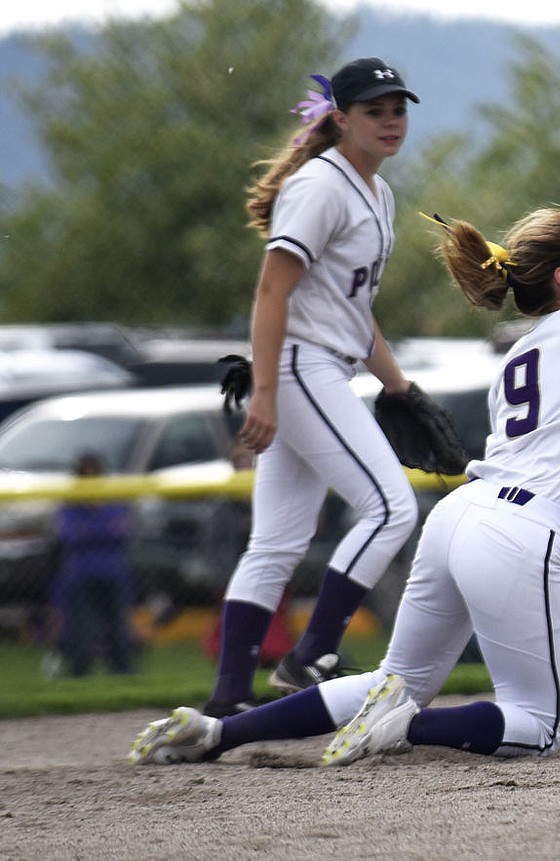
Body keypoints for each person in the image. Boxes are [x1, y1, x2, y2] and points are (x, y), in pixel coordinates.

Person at [129, 89, 560, 765]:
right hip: (514, 532)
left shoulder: (520, 351)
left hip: (462, 518)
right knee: (536, 723)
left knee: (393, 677)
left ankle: (218, 732)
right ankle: (407, 728)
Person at [200, 58, 426, 718]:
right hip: (300, 367)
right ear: (341, 118)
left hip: (323, 365)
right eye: (373, 111)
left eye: (397, 109)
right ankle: (313, 653)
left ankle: (227, 697)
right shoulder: (321, 187)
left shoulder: (375, 192)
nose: (389, 122)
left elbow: (355, 313)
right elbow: (273, 288)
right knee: (391, 508)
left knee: (275, 542)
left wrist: (402, 389)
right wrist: (265, 390)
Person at [49, 451, 137, 677]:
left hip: (112, 572)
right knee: (81, 627)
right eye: (85, 474)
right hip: (81, 574)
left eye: (94, 473)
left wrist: (92, 529)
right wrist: (104, 529)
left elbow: (123, 530)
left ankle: (122, 670)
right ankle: (81, 672)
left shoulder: (112, 499)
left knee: (118, 625)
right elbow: (71, 535)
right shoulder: (71, 503)